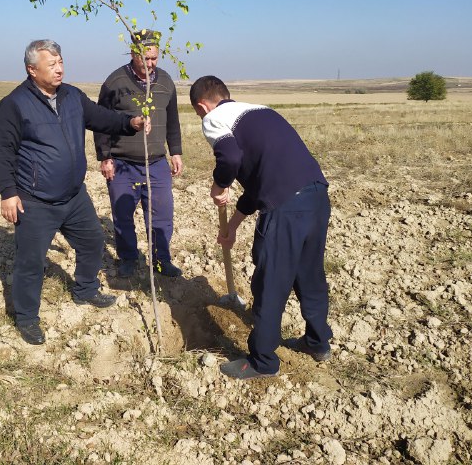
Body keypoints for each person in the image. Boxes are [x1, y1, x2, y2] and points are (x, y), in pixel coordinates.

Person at [0, 39, 149, 346]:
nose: (59, 68)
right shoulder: (14, 104)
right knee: (31, 262)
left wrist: (130, 122)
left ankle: (85, 289)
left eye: (61, 61)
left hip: (75, 196)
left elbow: (101, 117)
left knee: (92, 242)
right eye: (51, 64)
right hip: (35, 200)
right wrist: (7, 191)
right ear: (31, 69)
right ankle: (26, 318)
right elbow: (2, 151)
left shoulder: (72, 96)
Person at [189, 75, 332, 379]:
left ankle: (263, 361)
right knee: (310, 275)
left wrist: (220, 184)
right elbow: (260, 182)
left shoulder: (215, 118)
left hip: (287, 209)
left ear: (202, 106)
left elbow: (229, 157)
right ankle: (318, 342)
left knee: (271, 283)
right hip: (317, 197)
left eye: (200, 112)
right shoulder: (260, 111)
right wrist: (234, 225)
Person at [94, 30, 183, 278]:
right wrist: (105, 157)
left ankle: (160, 260)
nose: (151, 63)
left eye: (155, 58)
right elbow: (100, 122)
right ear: (134, 54)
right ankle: (128, 259)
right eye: (145, 58)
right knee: (122, 216)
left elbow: (172, 120)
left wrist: (175, 152)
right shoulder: (115, 83)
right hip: (122, 164)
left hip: (156, 163)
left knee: (161, 215)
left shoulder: (165, 82)